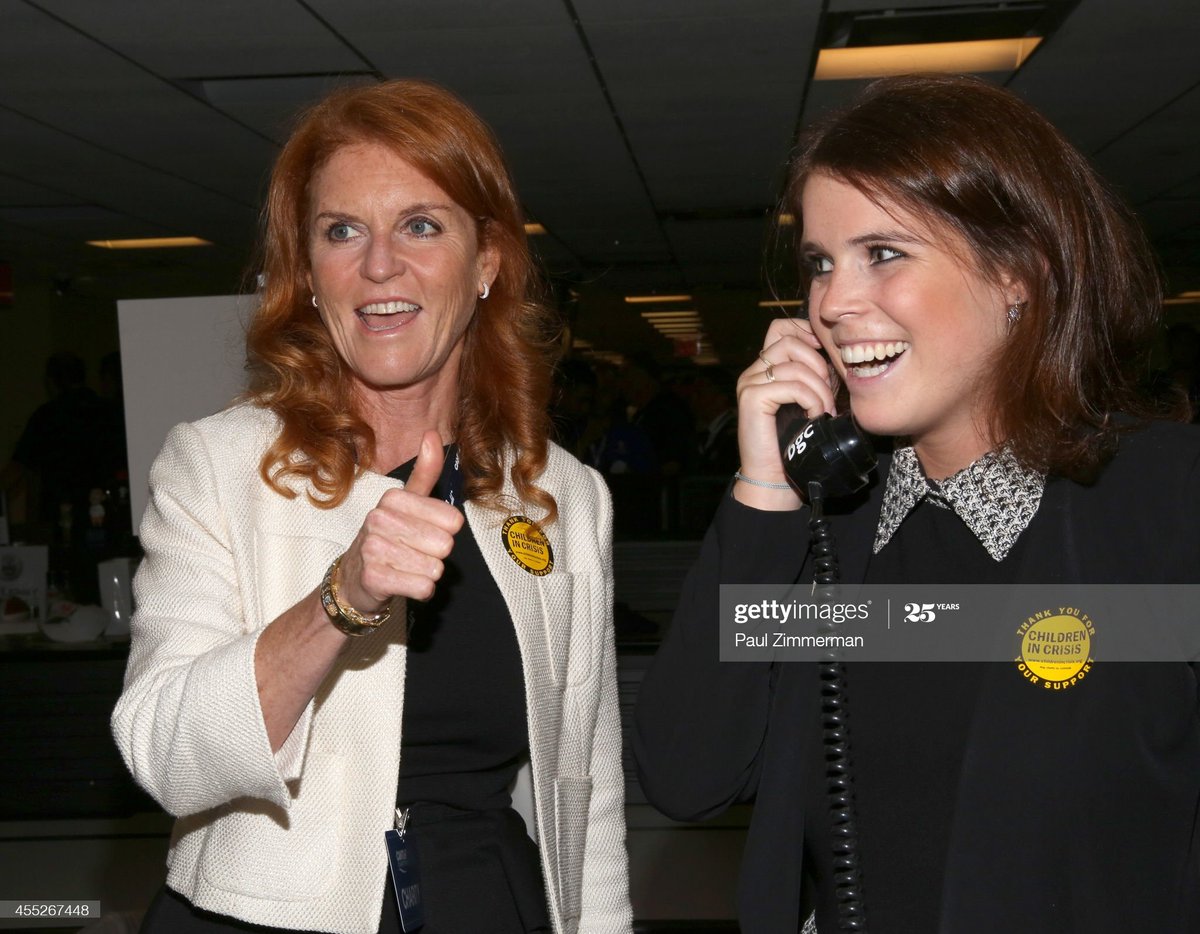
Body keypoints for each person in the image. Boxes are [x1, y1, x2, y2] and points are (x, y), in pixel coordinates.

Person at [634, 73, 1200, 934]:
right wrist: (761, 498)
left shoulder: (1166, 501)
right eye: (820, 263)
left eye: (883, 253)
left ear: (1018, 271)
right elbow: (686, 773)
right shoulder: (837, 530)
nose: (831, 302)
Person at [112, 80, 632, 934]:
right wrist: (340, 601)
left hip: (485, 904)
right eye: (342, 231)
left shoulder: (563, 497)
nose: (379, 264)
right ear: (310, 273)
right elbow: (164, 755)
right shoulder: (217, 465)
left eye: (421, 226)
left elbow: (587, 788)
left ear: (488, 261)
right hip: (258, 918)